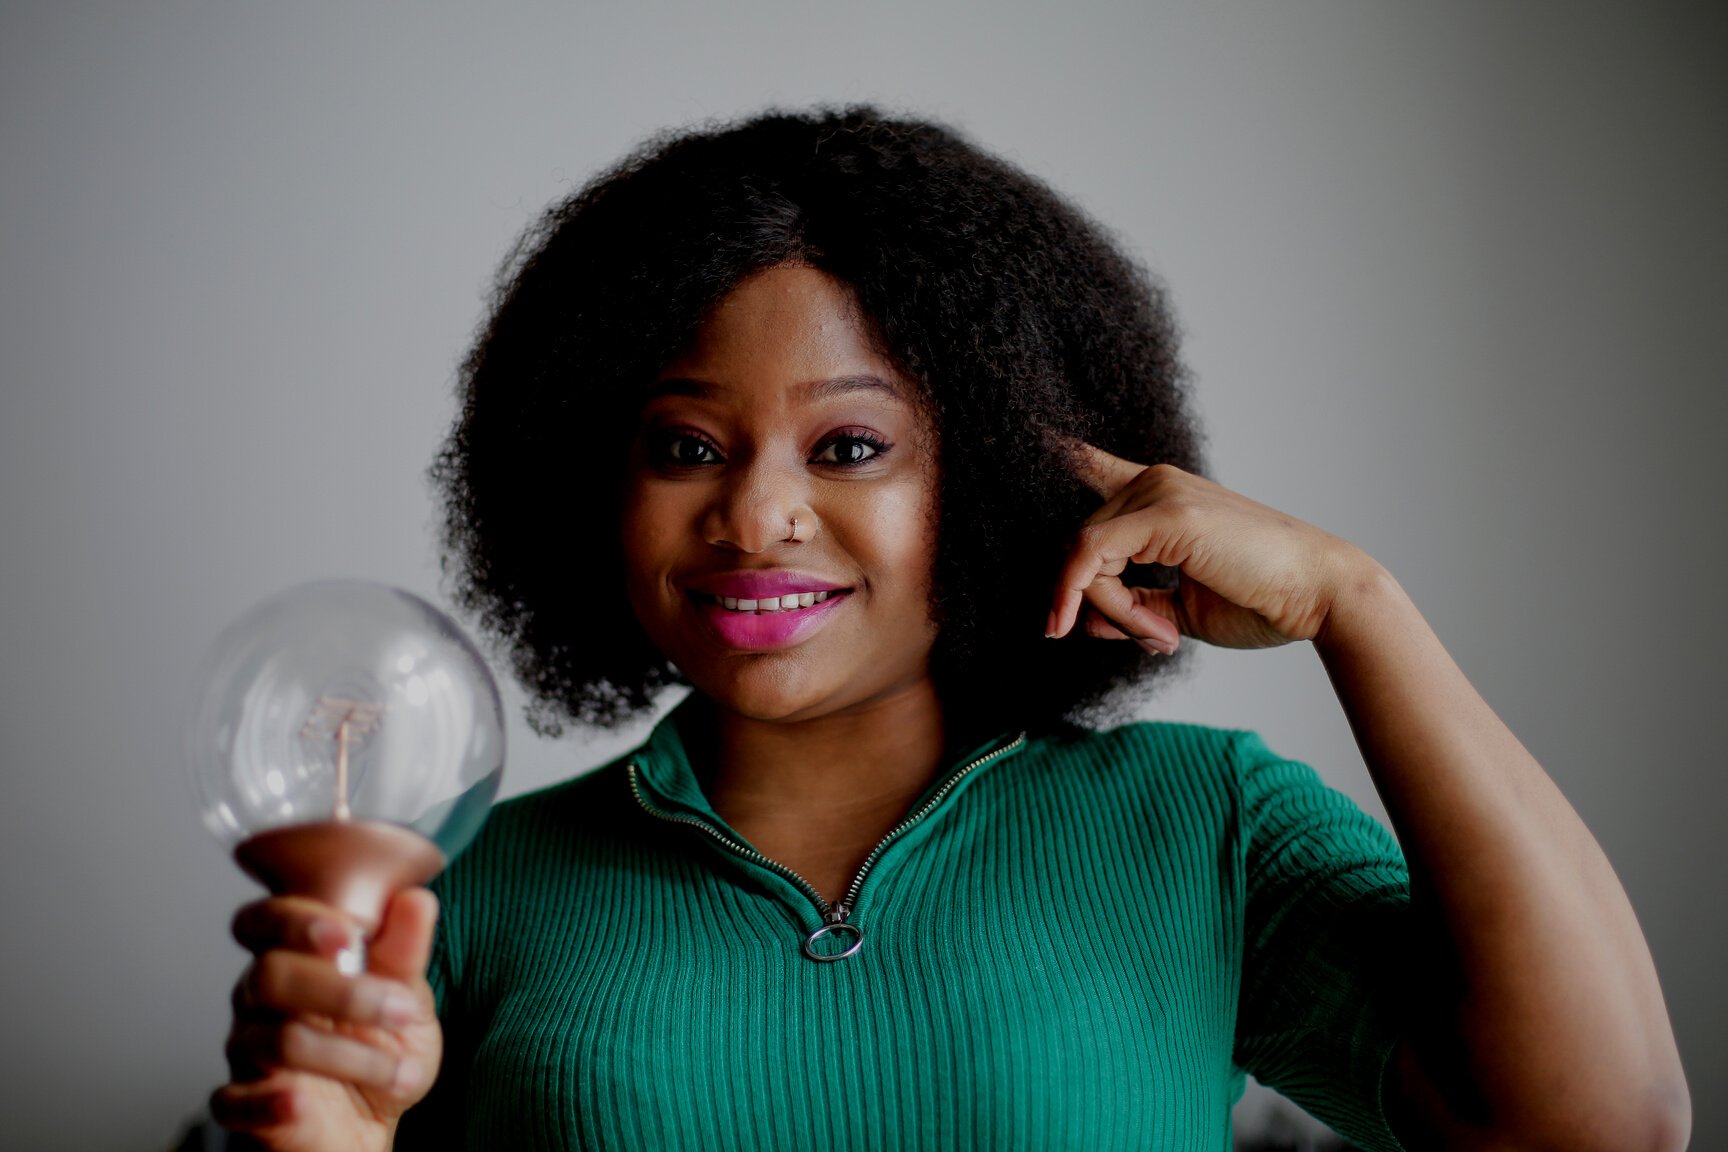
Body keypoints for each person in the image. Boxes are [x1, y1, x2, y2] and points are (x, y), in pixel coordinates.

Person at [210, 106, 1690, 1151]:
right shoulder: (464, 897)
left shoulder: (1207, 831)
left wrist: (1357, 605)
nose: (754, 517)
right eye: (684, 446)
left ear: (986, 478)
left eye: (848, 449)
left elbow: (1595, 1126)